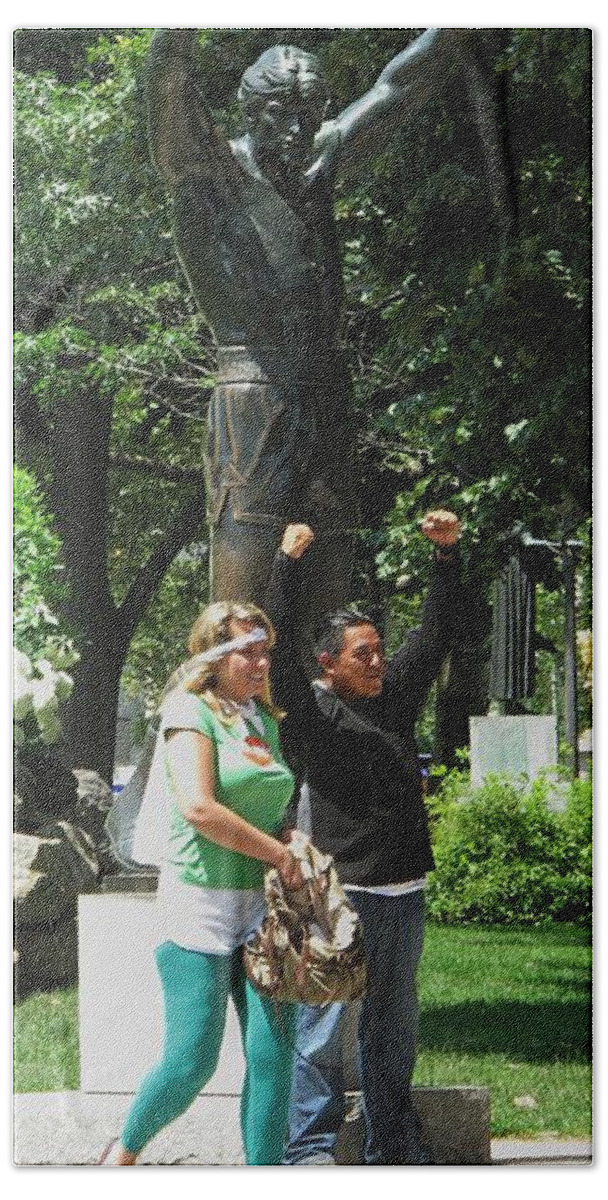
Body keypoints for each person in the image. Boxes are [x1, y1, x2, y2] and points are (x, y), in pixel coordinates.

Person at [147, 30, 510, 623]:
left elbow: (400, 83)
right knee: (242, 603)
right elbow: (167, 75)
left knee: (328, 593)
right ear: (248, 111)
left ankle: (321, 714)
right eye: (277, 114)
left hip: (327, 394)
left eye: (309, 113)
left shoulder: (319, 162)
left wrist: (458, 24)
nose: (297, 129)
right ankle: (221, 712)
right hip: (254, 395)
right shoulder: (208, 173)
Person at [264, 510, 466, 1166]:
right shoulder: (314, 712)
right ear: (330, 665)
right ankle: (309, 1154)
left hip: (405, 890)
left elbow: (433, 636)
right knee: (323, 1035)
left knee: (392, 1032)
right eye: (364, 654)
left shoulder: (395, 697)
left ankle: (392, 1146)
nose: (379, 662)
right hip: (340, 893)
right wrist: (285, 567)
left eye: (379, 650)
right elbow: (281, 651)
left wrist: (445, 559)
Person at [99, 600, 304, 1166]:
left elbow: (269, 805)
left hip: (263, 909)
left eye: (266, 652)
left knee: (273, 1054)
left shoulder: (261, 718)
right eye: (247, 652)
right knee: (192, 1060)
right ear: (212, 656)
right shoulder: (189, 711)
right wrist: (275, 853)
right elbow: (199, 808)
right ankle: (121, 1155)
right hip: (199, 904)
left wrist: (291, 838)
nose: (261, 664)